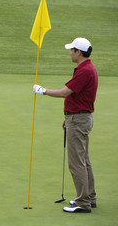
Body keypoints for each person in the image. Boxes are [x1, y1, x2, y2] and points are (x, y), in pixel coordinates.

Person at [33, 37, 98, 213]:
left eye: (72, 50)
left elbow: (65, 93)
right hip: (78, 117)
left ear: (79, 52)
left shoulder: (84, 71)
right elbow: (77, 97)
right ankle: (89, 198)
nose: (70, 53)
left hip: (79, 120)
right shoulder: (87, 68)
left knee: (77, 162)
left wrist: (43, 91)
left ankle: (83, 202)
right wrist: (69, 116)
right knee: (84, 160)